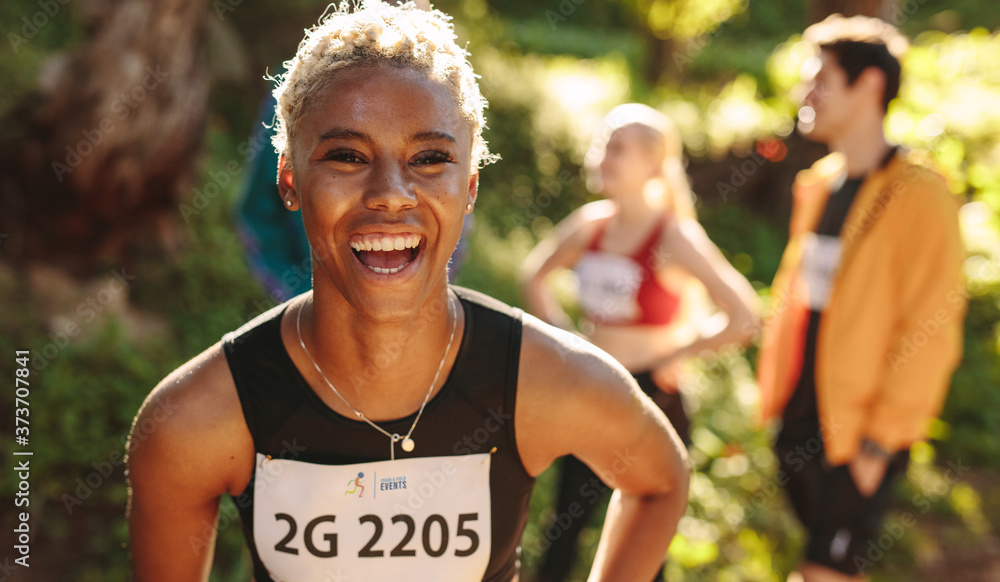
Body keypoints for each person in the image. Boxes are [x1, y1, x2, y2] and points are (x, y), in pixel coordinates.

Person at [125, 2, 690, 581]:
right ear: (290, 180)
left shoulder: (544, 380)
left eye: (429, 158)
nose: (391, 194)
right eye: (347, 156)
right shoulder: (195, 419)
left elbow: (660, 482)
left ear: (468, 188)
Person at [755, 14, 966, 582]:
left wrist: (880, 442)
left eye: (820, 79)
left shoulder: (920, 193)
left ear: (869, 85)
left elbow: (934, 323)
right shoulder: (818, 184)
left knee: (824, 570)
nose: (805, 93)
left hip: (861, 432)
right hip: (800, 414)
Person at [521, 103, 760, 582]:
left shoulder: (672, 235)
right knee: (564, 529)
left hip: (653, 397)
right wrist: (565, 341)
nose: (603, 156)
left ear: (653, 164)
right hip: (590, 392)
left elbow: (744, 315)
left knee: (645, 544)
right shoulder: (591, 224)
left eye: (619, 148)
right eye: (603, 144)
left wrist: (676, 354)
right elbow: (534, 276)